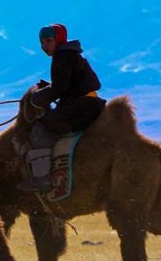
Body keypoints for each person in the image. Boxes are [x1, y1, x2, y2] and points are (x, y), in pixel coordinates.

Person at [18, 23, 106, 192]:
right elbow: (66, 84)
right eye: (42, 42)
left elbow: (61, 88)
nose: (44, 46)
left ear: (58, 40)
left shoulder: (62, 56)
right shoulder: (69, 55)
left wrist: (37, 97)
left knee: (40, 131)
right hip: (89, 103)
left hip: (80, 105)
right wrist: (50, 87)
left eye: (48, 41)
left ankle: (42, 179)